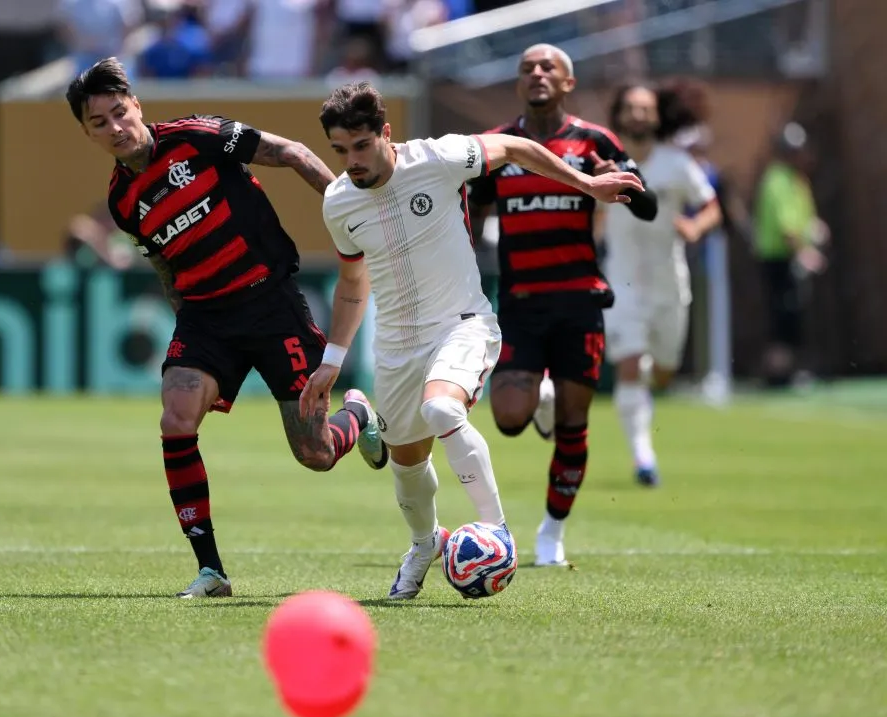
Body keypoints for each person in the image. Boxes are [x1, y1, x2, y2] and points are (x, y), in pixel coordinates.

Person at [300, 81, 643, 599]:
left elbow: (516, 148)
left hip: (461, 323)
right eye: (340, 151)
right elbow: (352, 285)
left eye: (362, 146)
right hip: (395, 346)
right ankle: (423, 543)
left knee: (442, 412)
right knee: (406, 464)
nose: (352, 161)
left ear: (386, 134)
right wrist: (332, 360)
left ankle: (496, 531)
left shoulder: (438, 157)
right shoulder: (339, 202)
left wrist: (587, 185)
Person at [65, 57, 387, 599]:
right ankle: (210, 570)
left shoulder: (197, 137)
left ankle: (357, 410)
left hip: (271, 302)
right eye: (99, 123)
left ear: (137, 105)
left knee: (316, 454)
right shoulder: (123, 202)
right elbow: (164, 264)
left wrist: (352, 207)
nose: (115, 128)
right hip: (206, 317)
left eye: (119, 113)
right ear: (87, 132)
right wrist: (185, 325)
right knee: (176, 416)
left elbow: (292, 153)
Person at [466, 44, 658, 567]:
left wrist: (617, 180)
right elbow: (473, 210)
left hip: (578, 302)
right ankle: (539, 396)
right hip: (522, 302)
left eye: (548, 67)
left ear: (568, 83)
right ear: (518, 82)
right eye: (527, 67)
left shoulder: (594, 140)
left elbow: (648, 205)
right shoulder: (499, 145)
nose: (537, 73)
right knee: (507, 419)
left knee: (574, 425)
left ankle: (551, 533)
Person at [601, 82, 723, 485]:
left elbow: (711, 207)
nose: (638, 114)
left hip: (670, 284)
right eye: (631, 108)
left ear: (657, 116)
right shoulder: (604, 160)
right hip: (622, 282)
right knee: (631, 365)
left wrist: (695, 226)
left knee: (665, 372)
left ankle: (652, 379)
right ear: (618, 114)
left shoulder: (677, 163)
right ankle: (643, 458)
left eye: (645, 108)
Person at [752, 122, 828, 388]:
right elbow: (787, 227)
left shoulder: (797, 180)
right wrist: (804, 251)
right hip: (778, 259)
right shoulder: (777, 179)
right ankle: (778, 375)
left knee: (794, 316)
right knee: (783, 316)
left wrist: (816, 229)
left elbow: (805, 218)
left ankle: (789, 370)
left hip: (791, 260)